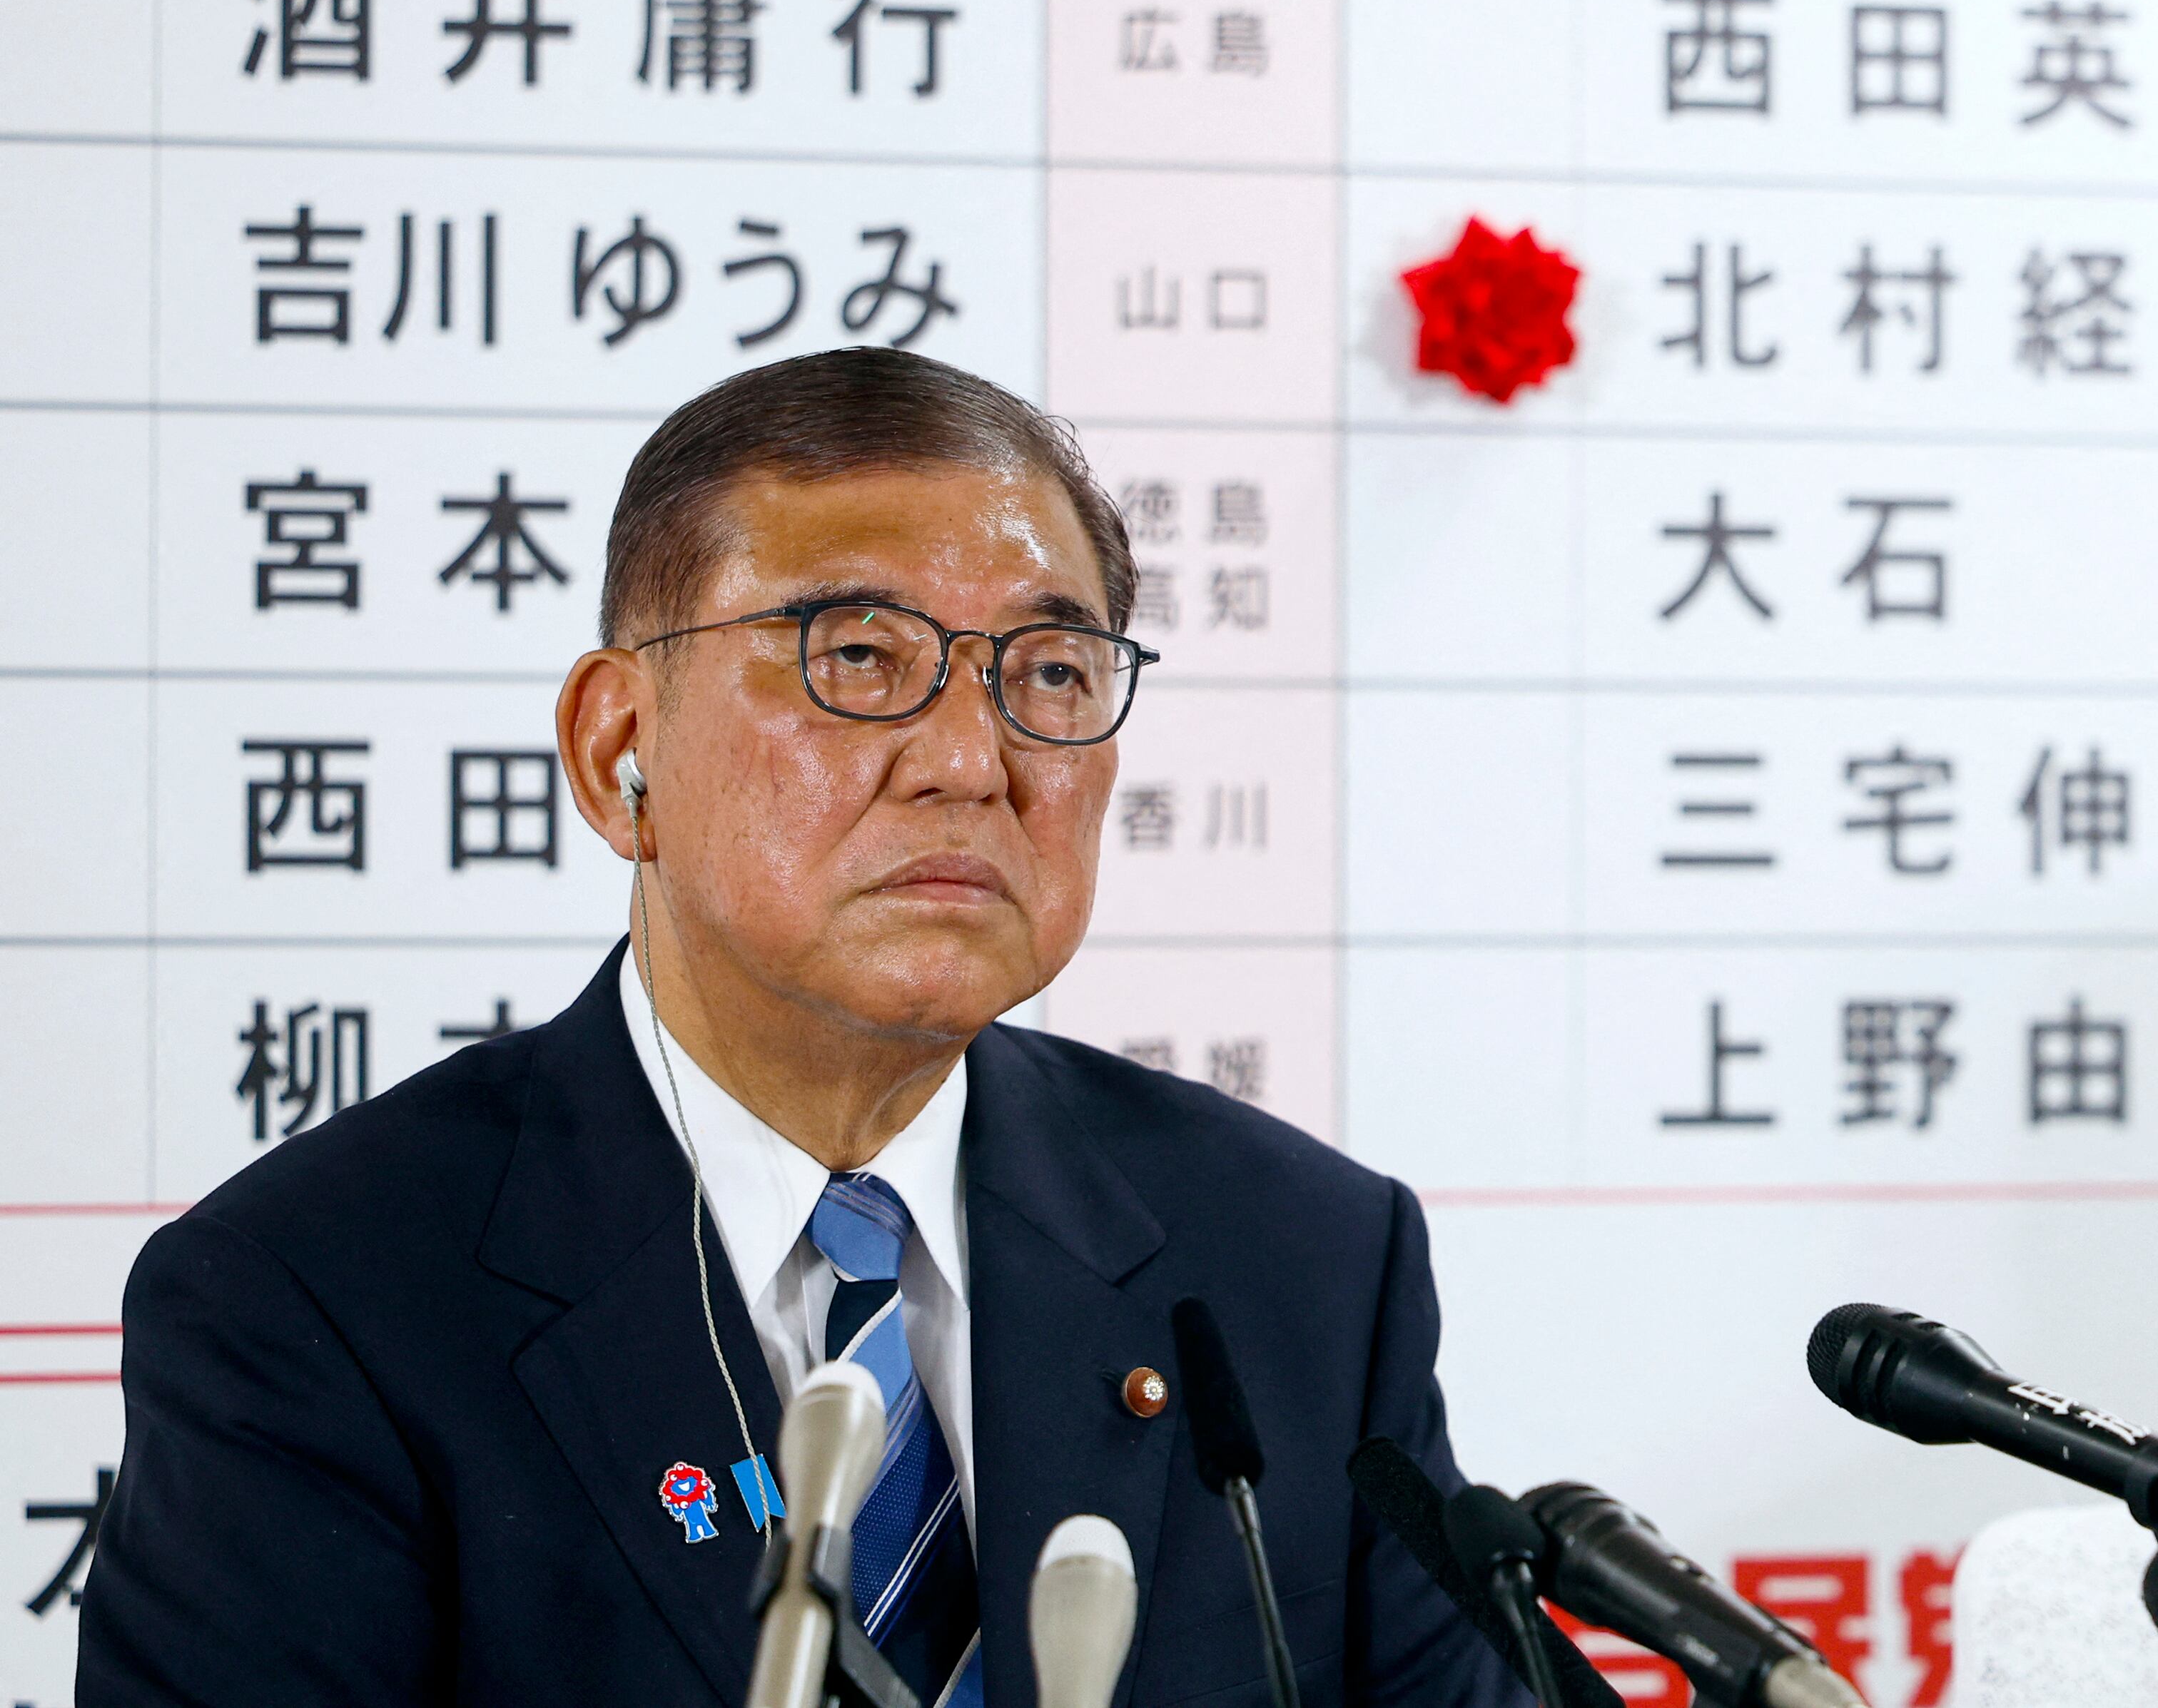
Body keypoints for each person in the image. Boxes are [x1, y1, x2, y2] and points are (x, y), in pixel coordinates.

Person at [82, 350, 1519, 1708]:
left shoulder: (1302, 1259)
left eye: (1052, 674)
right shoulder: (318, 1299)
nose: (971, 758)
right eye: (860, 655)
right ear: (615, 750)